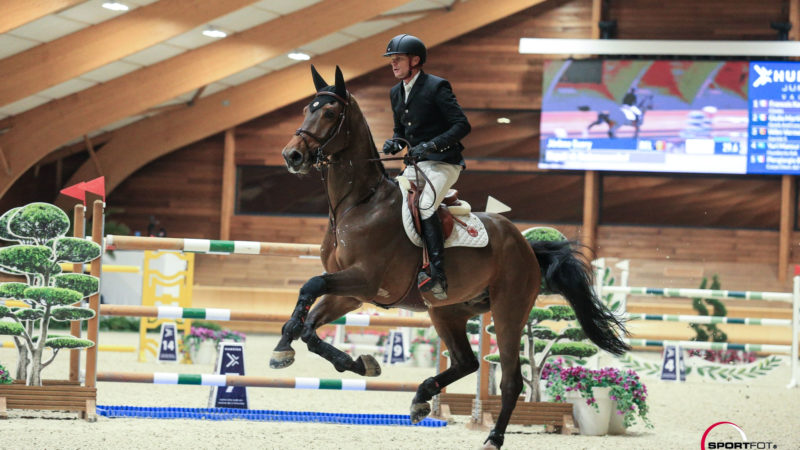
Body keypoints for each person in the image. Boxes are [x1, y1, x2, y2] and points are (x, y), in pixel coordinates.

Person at [381, 34, 471, 300]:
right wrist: (394, 144)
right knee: (389, 201)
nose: (393, 65)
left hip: (444, 163)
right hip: (416, 165)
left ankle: (437, 273)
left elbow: (462, 126)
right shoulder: (395, 92)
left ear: (415, 60)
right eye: (391, 61)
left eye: (397, 59)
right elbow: (401, 133)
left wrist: (431, 146)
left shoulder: (436, 86)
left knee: (424, 205)